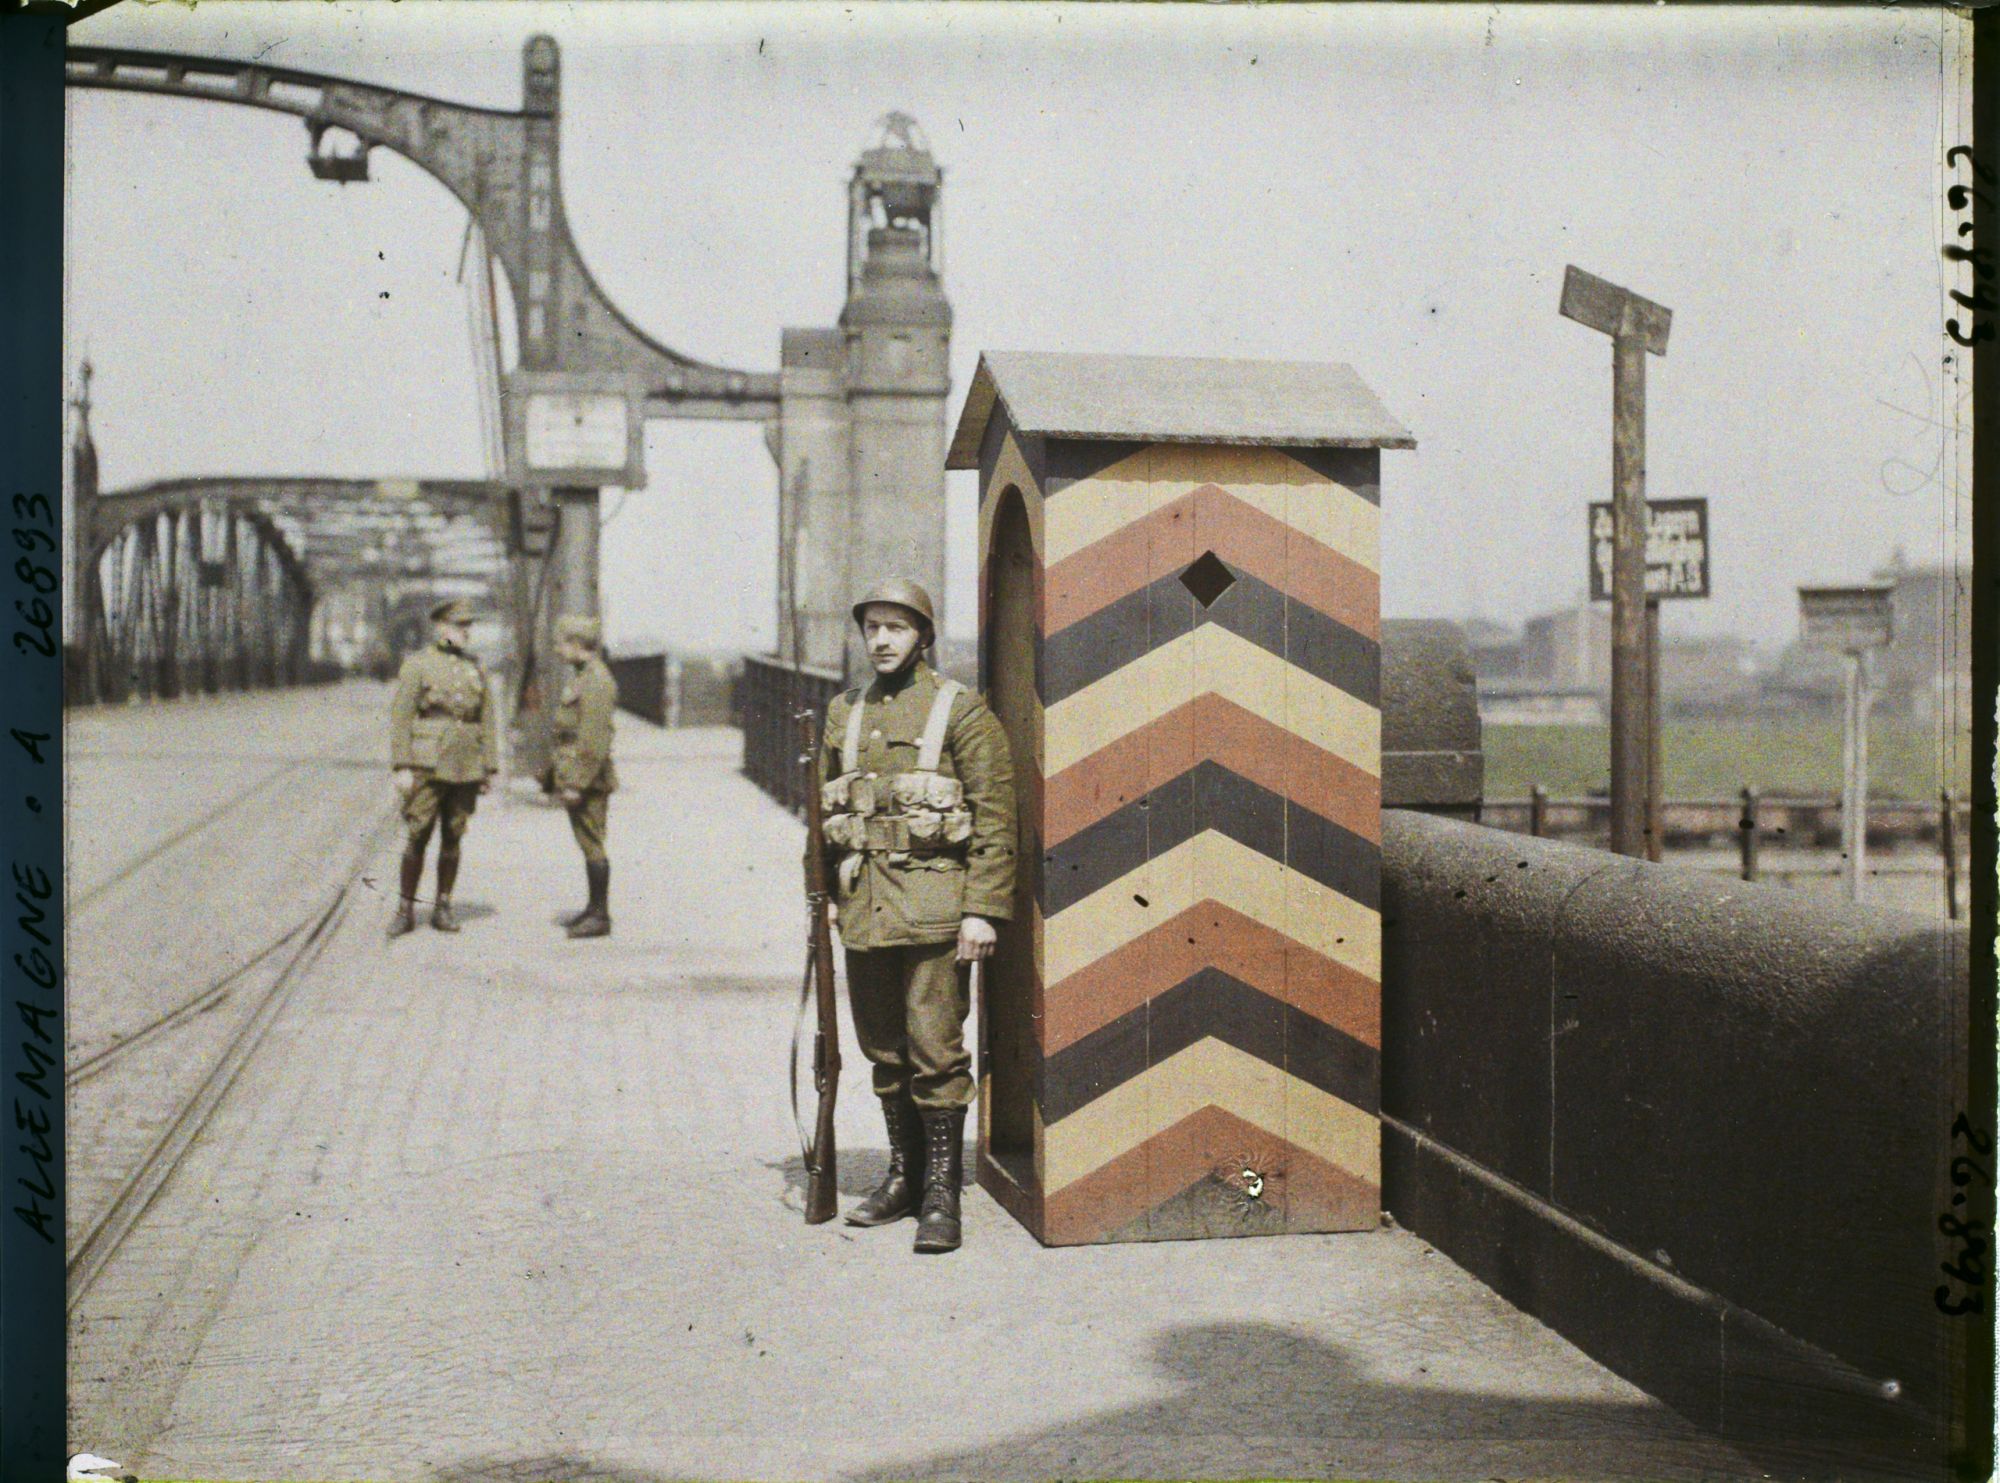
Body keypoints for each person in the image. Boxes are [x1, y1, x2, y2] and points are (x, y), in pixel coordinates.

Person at [815, 578, 1016, 1254]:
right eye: (872, 626)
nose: (881, 640)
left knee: (936, 1051)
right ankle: (903, 1178)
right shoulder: (844, 711)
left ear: (923, 635)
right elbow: (826, 812)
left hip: (934, 913)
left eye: (896, 627)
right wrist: (822, 896)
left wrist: (982, 910)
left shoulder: (960, 710)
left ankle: (940, 1192)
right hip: (864, 910)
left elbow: (995, 817)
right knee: (883, 1050)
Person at [387, 598, 497, 937]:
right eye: (459, 626)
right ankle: (405, 909)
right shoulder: (418, 664)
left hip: (466, 764)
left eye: (468, 626)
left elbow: (487, 717)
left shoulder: (476, 667)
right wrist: (402, 765)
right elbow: (402, 716)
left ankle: (443, 906)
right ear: (441, 627)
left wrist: (489, 766)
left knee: (454, 834)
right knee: (418, 833)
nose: (466, 632)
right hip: (428, 762)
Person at [547, 614, 618, 939]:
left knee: (592, 843)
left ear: (577, 644)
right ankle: (593, 908)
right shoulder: (583, 676)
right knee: (587, 841)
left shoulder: (596, 681)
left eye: (562, 644)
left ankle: (600, 916)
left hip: (588, 779)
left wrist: (577, 782)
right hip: (578, 773)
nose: (558, 650)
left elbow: (594, 739)